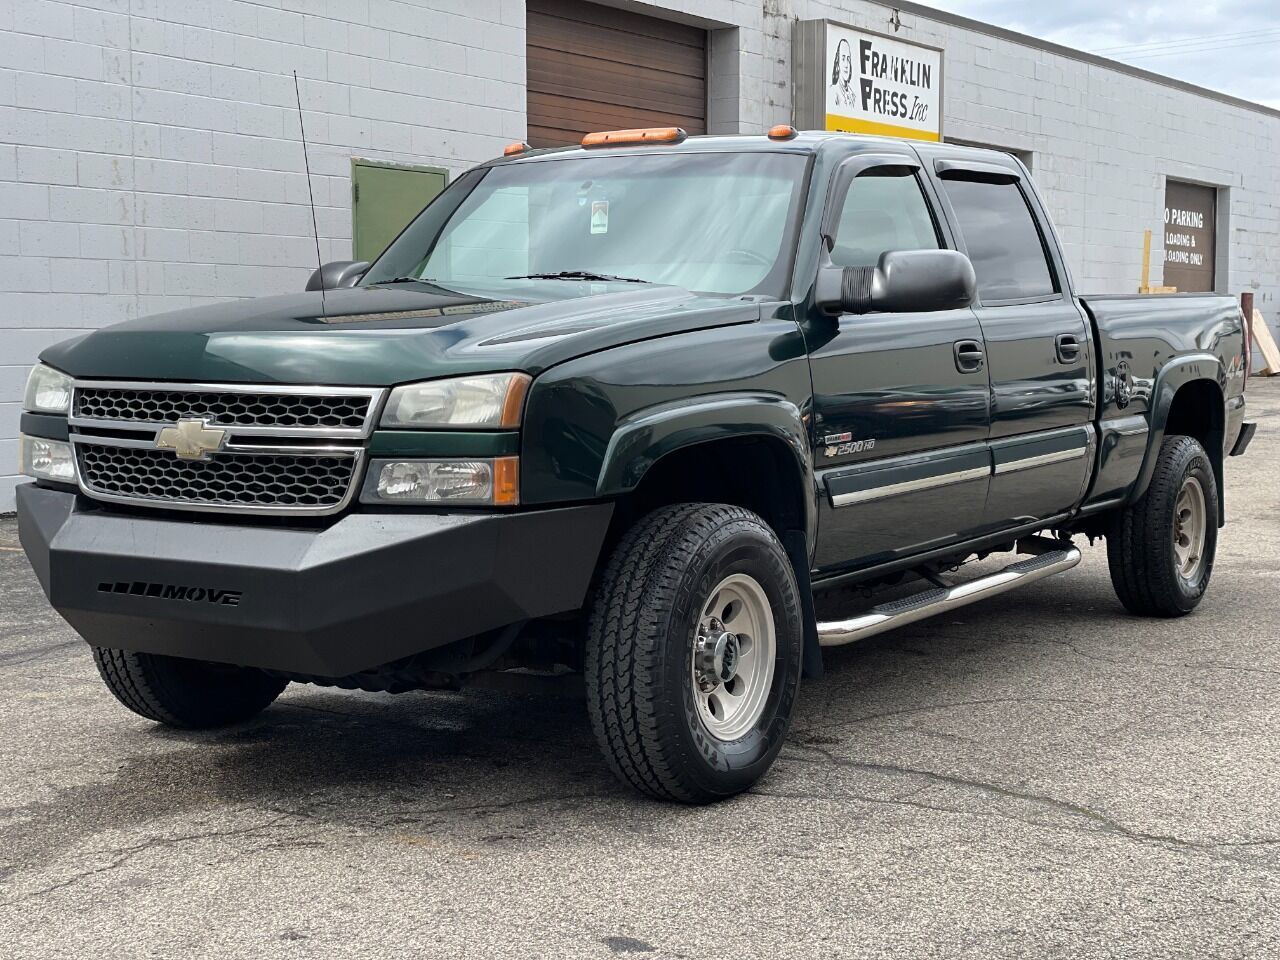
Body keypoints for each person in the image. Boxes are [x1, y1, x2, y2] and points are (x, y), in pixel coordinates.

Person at [831, 38, 855, 109]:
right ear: (838, 62)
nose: (846, 65)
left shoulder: (853, 96)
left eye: (848, 59)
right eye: (843, 59)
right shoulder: (833, 92)